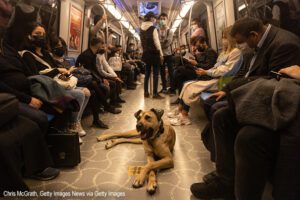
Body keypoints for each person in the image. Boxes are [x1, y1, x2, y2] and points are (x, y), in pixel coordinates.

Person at [190, 17, 300, 199]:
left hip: (279, 109)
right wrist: (228, 90)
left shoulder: (284, 45)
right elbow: (252, 75)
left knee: (246, 136)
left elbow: (277, 87)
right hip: (264, 98)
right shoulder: (259, 45)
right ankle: (225, 179)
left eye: (241, 42)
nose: (241, 47)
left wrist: (234, 91)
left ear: (254, 35)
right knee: (220, 115)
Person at [20, 22, 89, 143]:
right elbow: (35, 76)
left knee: (86, 92)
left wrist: (63, 74)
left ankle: (75, 123)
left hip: (54, 85)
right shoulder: (27, 55)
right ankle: (72, 126)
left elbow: (54, 72)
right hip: (45, 89)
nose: (41, 36)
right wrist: (57, 70)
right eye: (37, 34)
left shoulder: (46, 53)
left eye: (43, 34)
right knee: (79, 94)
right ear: (29, 36)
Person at [169, 26, 241, 126]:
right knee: (187, 85)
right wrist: (206, 71)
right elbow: (216, 67)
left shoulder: (235, 52)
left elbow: (226, 70)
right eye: (222, 37)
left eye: (225, 37)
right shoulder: (224, 53)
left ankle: (184, 117)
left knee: (191, 87)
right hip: (215, 78)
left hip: (223, 81)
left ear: (230, 38)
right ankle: (180, 110)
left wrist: (207, 72)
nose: (223, 40)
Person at [76, 37, 122, 127]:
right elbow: (88, 72)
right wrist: (100, 80)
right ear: (98, 44)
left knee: (95, 89)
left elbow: (95, 70)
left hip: (89, 78)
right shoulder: (87, 55)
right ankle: (106, 106)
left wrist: (102, 79)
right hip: (82, 79)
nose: (103, 46)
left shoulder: (93, 54)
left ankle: (101, 113)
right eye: (102, 44)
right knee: (95, 87)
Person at [140, 11, 164, 99]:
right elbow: (157, 42)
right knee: (156, 74)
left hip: (146, 53)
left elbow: (141, 43)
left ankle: (146, 92)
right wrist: (161, 54)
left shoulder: (141, 29)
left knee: (147, 73)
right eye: (154, 18)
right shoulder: (153, 28)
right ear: (151, 18)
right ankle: (154, 93)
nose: (155, 20)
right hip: (154, 54)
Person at [157, 13, 175, 94]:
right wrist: (162, 42)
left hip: (168, 54)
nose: (162, 20)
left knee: (171, 72)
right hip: (160, 55)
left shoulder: (170, 31)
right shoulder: (157, 31)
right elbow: (156, 43)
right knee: (162, 72)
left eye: (164, 19)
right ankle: (164, 87)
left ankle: (172, 88)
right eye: (161, 19)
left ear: (167, 20)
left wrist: (160, 44)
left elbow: (168, 43)